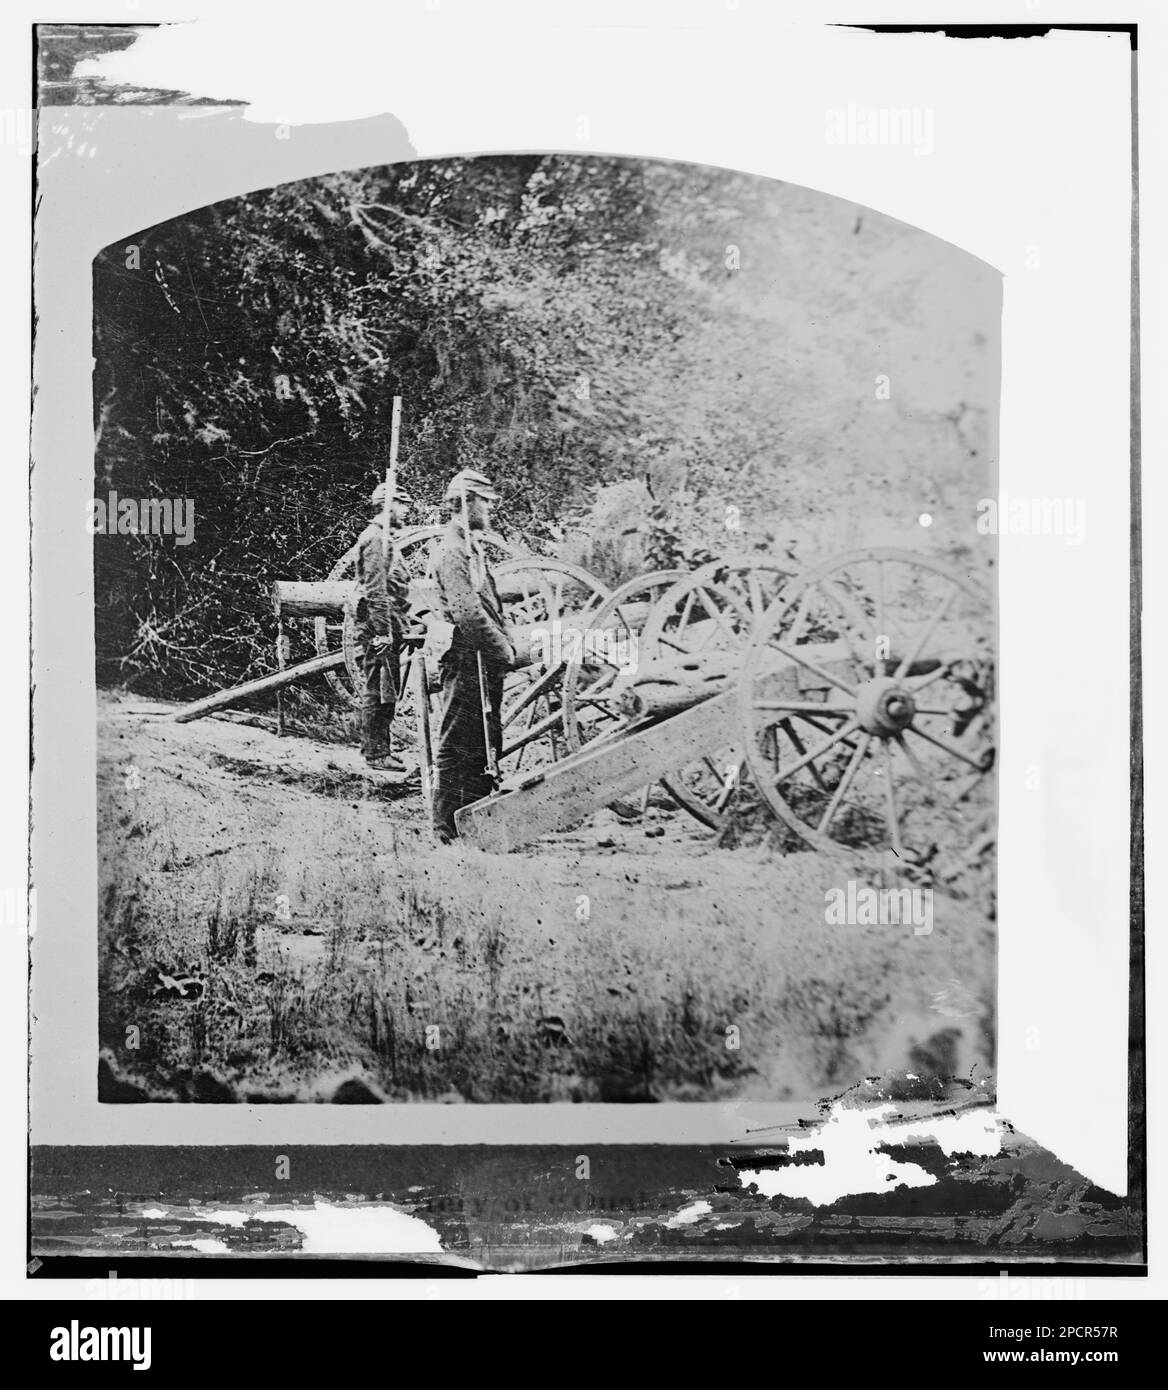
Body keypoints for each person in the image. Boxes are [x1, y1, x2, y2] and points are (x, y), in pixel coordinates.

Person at [431, 468, 517, 841]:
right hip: (466, 652)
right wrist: (503, 649)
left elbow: (489, 604)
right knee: (457, 739)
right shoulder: (452, 551)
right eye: (484, 502)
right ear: (466, 504)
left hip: (480, 655)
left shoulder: (469, 547)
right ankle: (446, 828)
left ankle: (477, 819)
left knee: (483, 738)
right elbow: (468, 613)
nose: (489, 509)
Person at [355, 479, 413, 771]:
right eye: (401, 506)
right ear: (387, 507)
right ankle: (376, 754)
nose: (405, 512)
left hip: (388, 624)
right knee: (379, 689)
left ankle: (381, 748)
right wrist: (384, 632)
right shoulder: (376, 539)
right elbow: (375, 591)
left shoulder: (383, 537)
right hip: (379, 627)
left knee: (386, 688)